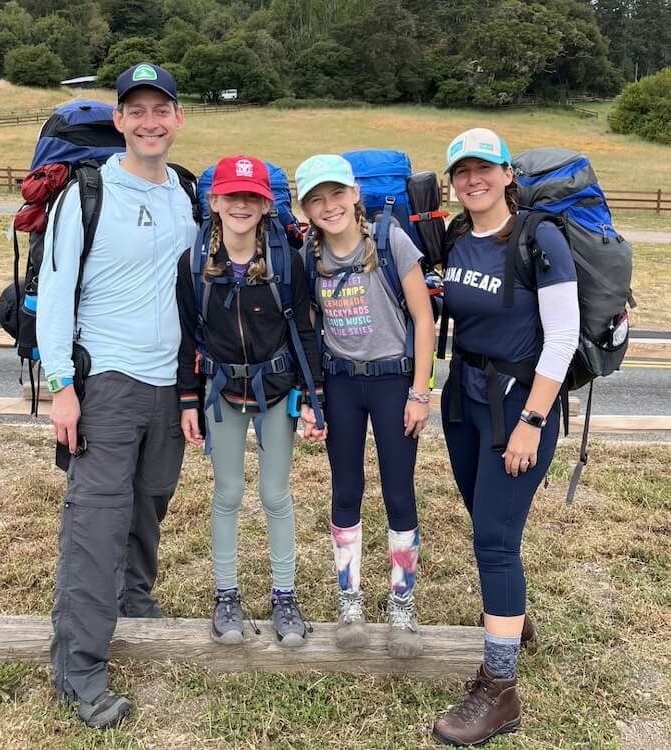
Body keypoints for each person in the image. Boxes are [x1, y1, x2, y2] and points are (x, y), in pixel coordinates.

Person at [37, 63, 197, 728]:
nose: (151, 121)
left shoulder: (189, 192)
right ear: (121, 121)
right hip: (103, 381)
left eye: (162, 109)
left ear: (177, 119)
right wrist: (61, 387)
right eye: (138, 110)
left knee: (148, 505)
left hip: (170, 387)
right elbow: (53, 291)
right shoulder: (87, 191)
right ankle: (78, 668)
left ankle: (135, 603)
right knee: (96, 521)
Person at [432, 128, 579, 746]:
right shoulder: (457, 239)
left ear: (507, 173)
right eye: (462, 172)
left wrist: (533, 422)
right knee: (488, 524)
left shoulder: (538, 238)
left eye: (484, 168)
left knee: (492, 539)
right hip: (462, 399)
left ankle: (500, 690)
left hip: (519, 407)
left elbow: (563, 337)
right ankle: (513, 622)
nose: (473, 180)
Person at [176, 155, 326, 648]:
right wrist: (187, 399)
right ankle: (227, 595)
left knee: (275, 495)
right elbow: (188, 337)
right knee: (228, 494)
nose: (240, 204)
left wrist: (312, 395)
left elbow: (304, 329)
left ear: (266, 205)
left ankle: (285, 595)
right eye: (230, 196)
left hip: (276, 390)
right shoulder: (194, 264)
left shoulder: (286, 262)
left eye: (251, 197)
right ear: (214, 202)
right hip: (222, 395)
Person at [295, 154, 436, 657]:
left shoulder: (390, 239)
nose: (329, 206)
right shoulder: (308, 256)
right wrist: (312, 399)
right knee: (346, 490)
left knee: (399, 492)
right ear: (305, 207)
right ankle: (349, 600)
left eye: (336, 194)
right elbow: (309, 330)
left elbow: (423, 318)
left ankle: (402, 605)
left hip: (392, 384)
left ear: (355, 194)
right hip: (340, 387)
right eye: (317, 199)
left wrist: (421, 392)